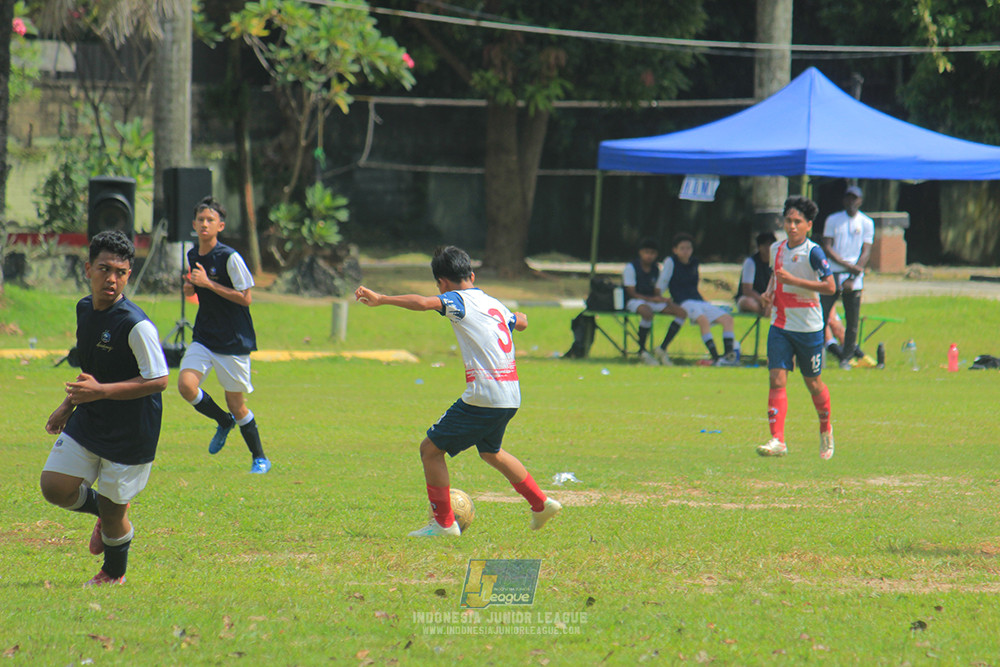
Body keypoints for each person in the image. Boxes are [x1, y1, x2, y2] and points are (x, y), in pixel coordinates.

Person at [354, 245, 561, 537]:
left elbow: (423, 303)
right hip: (510, 395)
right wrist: (517, 316)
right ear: (472, 275)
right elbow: (522, 322)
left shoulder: (455, 299)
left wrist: (382, 298)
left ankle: (443, 525)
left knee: (430, 450)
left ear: (442, 283)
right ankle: (541, 504)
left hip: (485, 396)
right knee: (492, 452)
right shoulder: (493, 304)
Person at [40, 230, 169, 586]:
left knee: (114, 518)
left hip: (131, 432)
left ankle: (114, 574)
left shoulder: (136, 324)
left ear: (129, 274)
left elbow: (159, 380)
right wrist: (68, 405)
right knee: (54, 487)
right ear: (88, 269)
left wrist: (101, 392)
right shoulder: (85, 308)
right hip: (91, 418)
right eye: (104, 269)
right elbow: (92, 367)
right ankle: (107, 510)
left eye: (121, 272)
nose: (112, 279)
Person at [177, 196, 270, 474]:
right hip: (204, 335)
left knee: (237, 404)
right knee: (185, 385)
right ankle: (222, 421)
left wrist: (209, 283)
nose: (205, 224)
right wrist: (192, 290)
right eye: (201, 220)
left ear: (221, 226)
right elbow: (198, 291)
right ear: (194, 224)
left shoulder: (230, 257)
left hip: (233, 340)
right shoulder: (193, 254)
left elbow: (246, 298)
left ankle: (259, 457)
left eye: (210, 220)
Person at [757, 196, 837, 459]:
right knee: (776, 378)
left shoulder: (813, 252)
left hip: (809, 327)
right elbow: (775, 275)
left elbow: (830, 287)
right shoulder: (776, 249)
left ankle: (825, 428)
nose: (791, 226)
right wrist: (769, 293)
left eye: (797, 222)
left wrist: (795, 281)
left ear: (808, 225)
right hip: (780, 323)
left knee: (813, 383)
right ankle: (777, 440)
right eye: (788, 221)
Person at [655, 232, 740, 365]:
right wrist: (660, 298)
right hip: (683, 301)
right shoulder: (671, 262)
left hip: (697, 300)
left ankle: (729, 356)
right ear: (675, 250)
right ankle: (715, 357)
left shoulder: (694, 262)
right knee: (703, 320)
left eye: (688, 248)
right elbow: (662, 283)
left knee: (727, 319)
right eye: (682, 248)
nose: (686, 251)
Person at [820, 185, 874, 370]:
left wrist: (855, 270)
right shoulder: (834, 220)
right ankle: (816, 354)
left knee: (852, 320)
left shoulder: (866, 222)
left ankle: (847, 357)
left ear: (860, 200)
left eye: (855, 198)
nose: (852, 202)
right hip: (834, 271)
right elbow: (827, 247)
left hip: (854, 273)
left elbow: (866, 250)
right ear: (844, 200)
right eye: (849, 198)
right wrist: (846, 265)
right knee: (822, 315)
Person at [621, 237, 686, 366]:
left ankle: (662, 348)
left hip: (651, 300)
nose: (649, 256)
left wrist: (664, 300)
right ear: (640, 252)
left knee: (681, 312)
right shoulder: (631, 267)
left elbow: (657, 290)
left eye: (652, 253)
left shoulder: (656, 269)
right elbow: (631, 292)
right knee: (647, 312)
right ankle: (642, 350)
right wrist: (654, 299)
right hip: (633, 301)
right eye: (646, 252)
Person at [736, 231, 777, 315]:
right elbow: (747, 290)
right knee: (745, 302)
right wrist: (763, 301)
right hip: (755, 299)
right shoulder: (751, 262)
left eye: (771, 245)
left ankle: (770, 311)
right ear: (759, 247)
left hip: (769, 300)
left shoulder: (776, 263)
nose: (768, 248)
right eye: (765, 245)